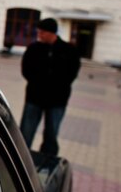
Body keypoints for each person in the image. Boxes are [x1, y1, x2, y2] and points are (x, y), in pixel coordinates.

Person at [20, 18, 80, 156]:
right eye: (38, 32)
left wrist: (55, 86)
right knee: (26, 132)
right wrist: (38, 82)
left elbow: (72, 73)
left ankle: (48, 161)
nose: (39, 35)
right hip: (34, 98)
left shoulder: (69, 50)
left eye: (42, 32)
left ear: (52, 33)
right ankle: (21, 158)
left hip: (57, 100)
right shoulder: (33, 48)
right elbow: (26, 70)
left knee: (51, 133)